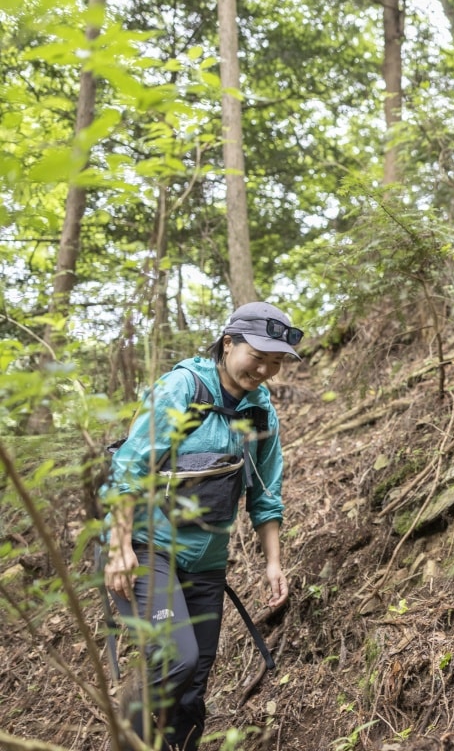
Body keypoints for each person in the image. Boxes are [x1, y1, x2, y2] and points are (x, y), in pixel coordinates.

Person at [102, 302, 300, 750]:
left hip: (206, 558)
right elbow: (129, 468)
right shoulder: (183, 388)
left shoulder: (260, 410)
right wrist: (118, 546)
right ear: (228, 343)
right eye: (258, 355)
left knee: (194, 679)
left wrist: (273, 564)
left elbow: (266, 493)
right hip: (146, 545)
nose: (266, 369)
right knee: (175, 658)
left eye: (276, 361)